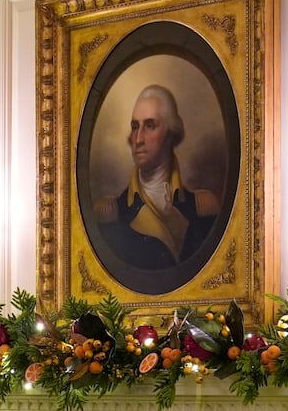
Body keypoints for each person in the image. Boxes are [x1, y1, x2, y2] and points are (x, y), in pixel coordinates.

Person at [92, 85, 220, 272]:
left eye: (150, 126)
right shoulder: (110, 214)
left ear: (171, 133)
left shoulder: (203, 208)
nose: (137, 139)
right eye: (135, 127)